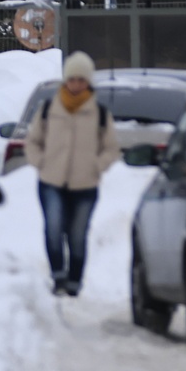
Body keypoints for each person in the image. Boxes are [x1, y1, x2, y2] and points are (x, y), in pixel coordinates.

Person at [26, 51, 120, 296]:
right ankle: (58, 276)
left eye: (81, 79)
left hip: (85, 186)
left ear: (88, 81)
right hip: (51, 182)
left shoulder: (99, 113)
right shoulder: (49, 108)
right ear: (65, 80)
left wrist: (97, 166)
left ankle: (74, 282)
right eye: (72, 78)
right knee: (53, 227)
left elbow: (111, 148)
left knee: (77, 235)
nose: (76, 84)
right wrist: (41, 162)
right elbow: (33, 141)